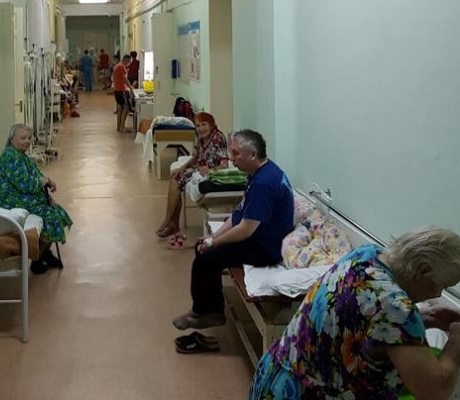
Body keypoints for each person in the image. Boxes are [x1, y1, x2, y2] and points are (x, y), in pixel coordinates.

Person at [249, 227, 460, 400]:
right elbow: (435, 390)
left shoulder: (366, 255)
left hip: (279, 376)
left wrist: (427, 318)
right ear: (422, 269)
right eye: (443, 285)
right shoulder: (395, 307)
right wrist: (456, 341)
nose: (438, 294)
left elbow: (362, 324)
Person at [172, 129, 294, 329]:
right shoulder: (261, 173)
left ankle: (211, 313)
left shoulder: (264, 183)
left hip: (268, 248)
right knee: (203, 248)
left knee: (206, 257)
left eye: (236, 153)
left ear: (252, 154)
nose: (231, 158)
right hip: (260, 237)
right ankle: (203, 308)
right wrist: (212, 237)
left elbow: (245, 230)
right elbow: (237, 216)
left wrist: (214, 242)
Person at [0, 124, 73, 274]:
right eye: (23, 138)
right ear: (12, 139)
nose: (27, 141)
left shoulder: (21, 156)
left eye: (29, 138)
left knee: (57, 211)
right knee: (51, 216)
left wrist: (47, 192)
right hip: (10, 200)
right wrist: (46, 181)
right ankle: (37, 257)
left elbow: (36, 177)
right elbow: (26, 184)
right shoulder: (10, 157)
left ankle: (45, 252)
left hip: (22, 196)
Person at [155, 112, 229, 249]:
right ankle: (172, 224)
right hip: (197, 168)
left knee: (175, 181)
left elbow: (224, 164)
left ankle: (170, 222)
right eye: (198, 126)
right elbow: (195, 157)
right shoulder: (200, 137)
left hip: (208, 172)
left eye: (204, 125)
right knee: (175, 175)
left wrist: (211, 169)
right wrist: (182, 167)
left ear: (211, 124)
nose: (201, 129)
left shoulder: (218, 138)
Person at [112, 54, 134, 132]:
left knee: (120, 108)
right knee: (126, 107)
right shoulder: (121, 67)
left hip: (117, 90)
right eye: (129, 62)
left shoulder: (117, 66)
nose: (129, 64)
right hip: (121, 90)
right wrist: (131, 88)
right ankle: (122, 127)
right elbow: (125, 79)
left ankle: (119, 127)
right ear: (126, 60)